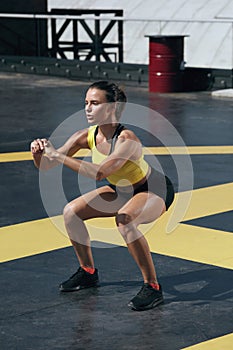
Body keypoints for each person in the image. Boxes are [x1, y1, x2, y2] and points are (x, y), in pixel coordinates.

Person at [30, 81, 174, 311]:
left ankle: (153, 287)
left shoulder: (127, 140)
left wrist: (56, 155)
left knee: (125, 220)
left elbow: (99, 173)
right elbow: (46, 166)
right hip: (122, 190)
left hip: (153, 189)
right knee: (71, 212)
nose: (87, 108)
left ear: (112, 108)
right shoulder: (85, 136)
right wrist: (38, 153)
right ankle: (87, 272)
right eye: (86, 102)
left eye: (95, 103)